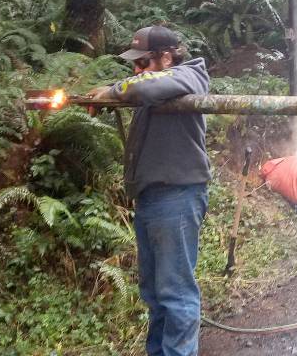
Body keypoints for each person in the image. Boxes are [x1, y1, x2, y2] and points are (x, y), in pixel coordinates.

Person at [90, 25, 210, 356]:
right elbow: (142, 87)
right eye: (135, 63)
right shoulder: (153, 85)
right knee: (155, 295)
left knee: (175, 293)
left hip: (178, 196)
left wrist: (114, 90)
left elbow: (143, 87)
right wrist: (106, 95)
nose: (136, 70)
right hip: (151, 198)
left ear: (167, 58)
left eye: (142, 63)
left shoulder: (190, 76)